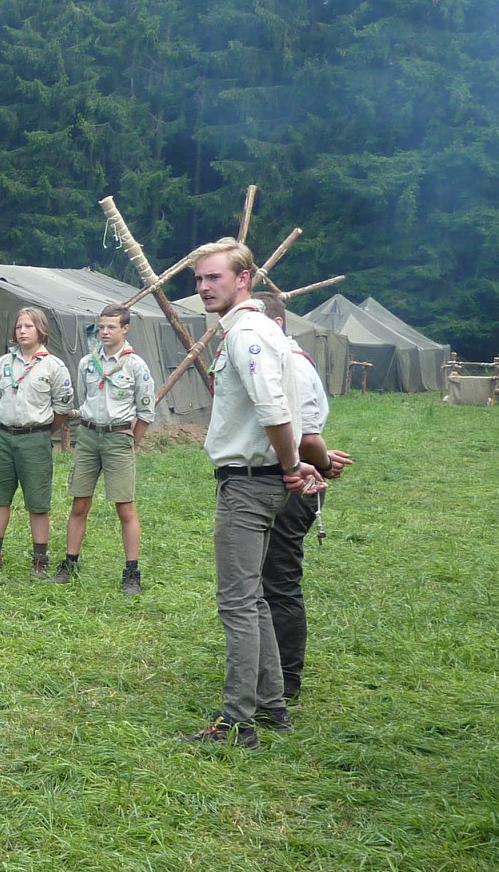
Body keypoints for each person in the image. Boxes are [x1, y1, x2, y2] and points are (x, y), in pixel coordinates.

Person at [180, 240, 323, 749]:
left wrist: (290, 465)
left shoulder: (248, 335)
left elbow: (274, 408)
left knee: (237, 604)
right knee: (255, 600)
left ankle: (236, 722)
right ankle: (272, 705)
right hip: (255, 480)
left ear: (244, 279)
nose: (202, 288)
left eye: (213, 278)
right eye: (198, 280)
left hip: (248, 483)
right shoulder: (254, 330)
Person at [256, 291, 353, 721]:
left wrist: (326, 462)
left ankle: (286, 678)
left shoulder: (290, 364)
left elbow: (307, 439)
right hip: (280, 478)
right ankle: (270, 670)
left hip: (293, 484)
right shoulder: (279, 358)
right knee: (264, 579)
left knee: (279, 579)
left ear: (275, 324)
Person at [53, 304, 154, 594]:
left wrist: (130, 442)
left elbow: (146, 411)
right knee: (79, 503)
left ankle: (132, 571)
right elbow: (83, 400)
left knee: (125, 507)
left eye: (112, 327)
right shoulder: (87, 363)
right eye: (101, 326)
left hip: (118, 438)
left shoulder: (136, 365)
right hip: (88, 437)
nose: (105, 332)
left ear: (125, 329)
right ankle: (70, 562)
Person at [0, 306, 74, 576]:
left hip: (35, 438)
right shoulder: (4, 363)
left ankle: (40, 559)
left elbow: (62, 409)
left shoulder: (54, 366)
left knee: (37, 502)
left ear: (41, 329)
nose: (22, 331)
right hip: (4, 437)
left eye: (28, 326)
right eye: (18, 327)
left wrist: (41, 430)